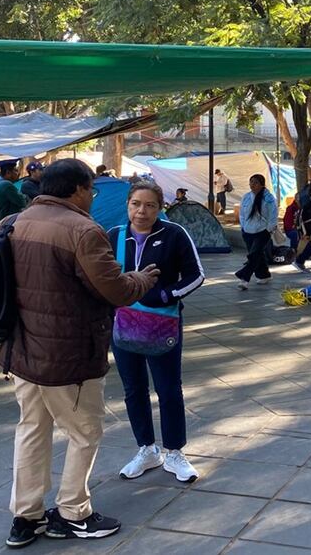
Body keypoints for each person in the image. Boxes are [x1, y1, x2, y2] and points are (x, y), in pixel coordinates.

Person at [2, 158, 160, 548]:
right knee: (85, 432)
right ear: (76, 189)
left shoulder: (13, 223)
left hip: (20, 351)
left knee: (31, 430)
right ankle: (74, 513)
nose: (92, 196)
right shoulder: (83, 231)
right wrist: (143, 278)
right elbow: (116, 290)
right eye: (91, 189)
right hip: (67, 355)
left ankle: (27, 516)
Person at [107, 181, 204, 485]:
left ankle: (174, 451)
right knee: (133, 390)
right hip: (123, 326)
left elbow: (196, 274)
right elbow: (102, 276)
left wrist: (166, 295)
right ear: (128, 205)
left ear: (160, 207)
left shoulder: (174, 234)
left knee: (169, 390)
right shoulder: (114, 235)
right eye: (136, 203)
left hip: (162, 325)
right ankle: (146, 449)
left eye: (150, 205)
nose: (142, 211)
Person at [235, 174, 279, 289]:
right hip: (248, 231)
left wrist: (269, 229)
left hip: (262, 231)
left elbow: (273, 215)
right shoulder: (246, 197)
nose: (252, 185)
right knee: (258, 255)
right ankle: (264, 275)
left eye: (255, 182)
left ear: (261, 184)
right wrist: (243, 227)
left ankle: (244, 277)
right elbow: (242, 214)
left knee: (253, 255)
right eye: (251, 182)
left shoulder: (268, 198)